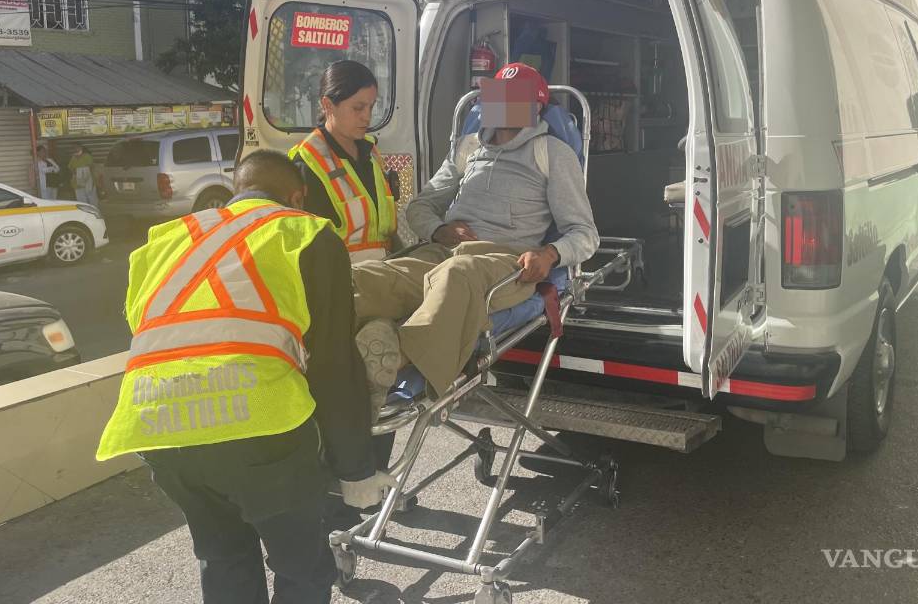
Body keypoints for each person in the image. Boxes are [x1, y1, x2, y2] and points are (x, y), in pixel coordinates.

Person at [96, 150, 392, 604]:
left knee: (225, 557)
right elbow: (333, 362)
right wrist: (355, 467)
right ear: (297, 197)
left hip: (155, 425)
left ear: (237, 191)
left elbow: (154, 334)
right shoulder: (305, 233)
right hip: (259, 431)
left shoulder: (163, 241)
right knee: (302, 568)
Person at [351, 63, 599, 408]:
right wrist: (440, 230)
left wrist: (548, 255)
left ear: (537, 107)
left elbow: (585, 233)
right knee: (365, 277)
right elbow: (419, 207)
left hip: (503, 261)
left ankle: (396, 360)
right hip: (444, 252)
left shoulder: (553, 154)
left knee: (455, 275)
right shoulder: (468, 149)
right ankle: (337, 350)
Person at [289, 61, 398, 264]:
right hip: (340, 282)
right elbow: (307, 248)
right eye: (358, 108)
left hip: (384, 274)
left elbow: (386, 233)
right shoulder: (307, 163)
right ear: (328, 105)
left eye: (371, 106)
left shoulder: (371, 152)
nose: (367, 116)